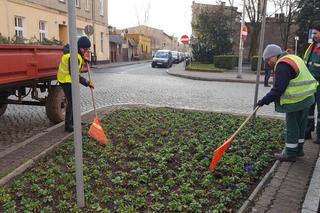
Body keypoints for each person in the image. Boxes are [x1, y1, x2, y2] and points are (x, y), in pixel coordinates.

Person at [257, 44, 318, 162]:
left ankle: (290, 153)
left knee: (292, 127)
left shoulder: (282, 65)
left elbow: (278, 89)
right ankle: (299, 150)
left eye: (268, 60)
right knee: (301, 125)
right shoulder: (293, 58)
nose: (268, 63)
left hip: (295, 101)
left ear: (274, 56)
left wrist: (263, 101)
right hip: (307, 98)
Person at [57, 36, 95, 132]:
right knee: (72, 102)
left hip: (68, 80)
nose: (85, 51)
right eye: (85, 49)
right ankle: (68, 125)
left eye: (87, 49)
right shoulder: (74, 57)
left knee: (75, 101)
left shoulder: (75, 53)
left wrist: (84, 59)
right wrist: (87, 83)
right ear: (80, 47)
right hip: (66, 81)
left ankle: (75, 121)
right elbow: (74, 74)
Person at [304, 21, 320, 142]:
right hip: (311, 84)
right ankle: (307, 131)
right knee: (309, 108)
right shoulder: (312, 46)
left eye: (315, 33)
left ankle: (319, 134)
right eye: (312, 33)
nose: (313, 35)